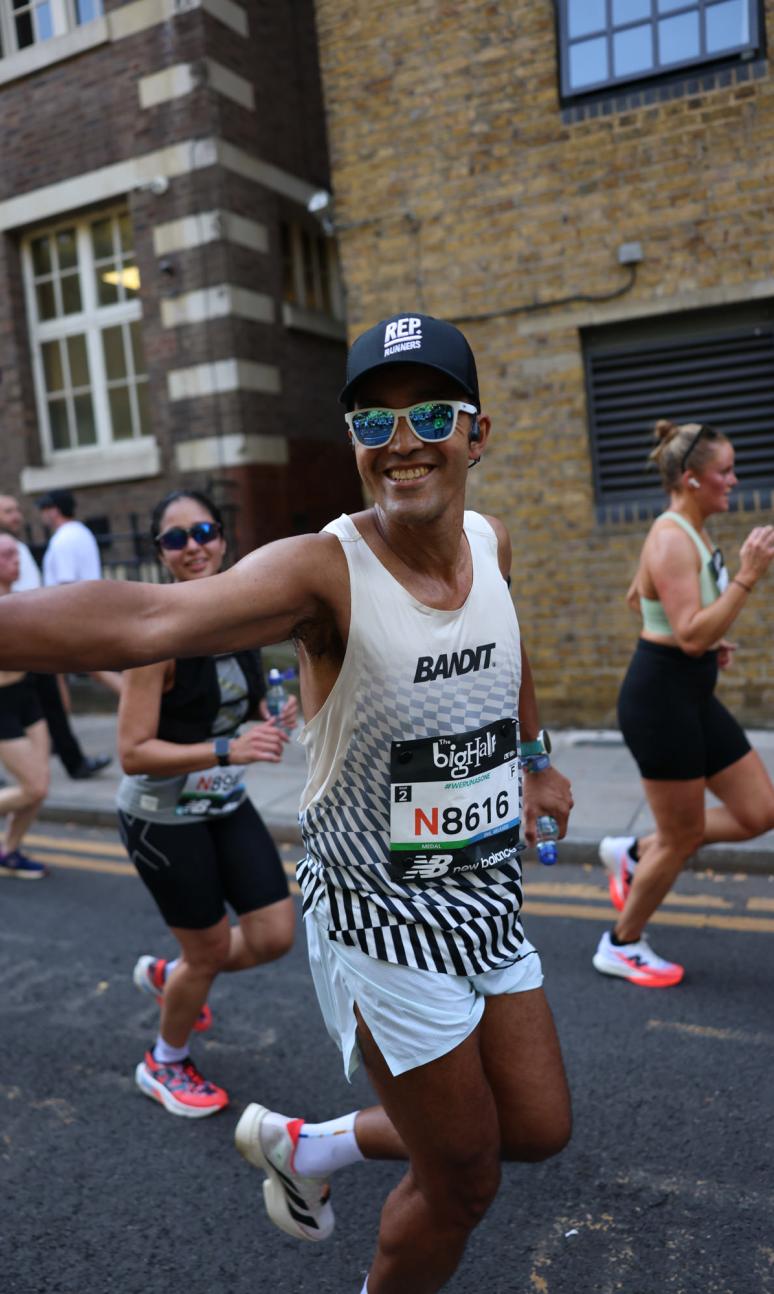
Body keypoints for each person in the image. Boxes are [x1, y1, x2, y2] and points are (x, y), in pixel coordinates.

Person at [0, 312, 573, 1294]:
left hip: (485, 896)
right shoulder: (325, 571)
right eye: (373, 421)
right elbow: (150, 616)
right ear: (353, 442)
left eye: (431, 414)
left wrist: (537, 759)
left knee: (537, 1126)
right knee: (462, 1179)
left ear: (477, 434)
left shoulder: (491, 540)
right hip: (382, 919)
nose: (402, 441)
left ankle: (310, 1144)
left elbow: (504, 645)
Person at [118, 490, 297, 1118]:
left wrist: (267, 714)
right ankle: (163, 1062)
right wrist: (228, 749)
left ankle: (174, 978)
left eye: (203, 532)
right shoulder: (156, 639)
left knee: (274, 935)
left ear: (222, 538)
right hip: (161, 818)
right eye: (176, 538)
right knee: (210, 951)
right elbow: (132, 751)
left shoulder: (239, 615)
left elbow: (235, 701)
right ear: (161, 553)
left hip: (222, 803)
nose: (193, 546)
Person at [595, 419, 774, 988]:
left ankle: (632, 853)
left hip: (690, 692)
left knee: (759, 812)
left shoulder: (689, 530)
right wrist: (748, 575)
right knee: (683, 836)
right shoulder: (673, 537)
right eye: (726, 471)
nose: (734, 480)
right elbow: (691, 633)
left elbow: (643, 601)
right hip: (661, 702)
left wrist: (708, 640)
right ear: (693, 479)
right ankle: (621, 943)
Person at [0, 491, 111, 780]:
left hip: (34, 634)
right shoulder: (11, 546)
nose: (16, 516)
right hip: (19, 639)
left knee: (52, 701)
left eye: (16, 510)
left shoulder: (17, 546)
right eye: (8, 511)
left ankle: (71, 763)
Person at [0, 533, 50, 879]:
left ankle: (10, 851)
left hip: (28, 696)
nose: (15, 561)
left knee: (40, 787)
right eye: (6, 556)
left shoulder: (23, 601)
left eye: (16, 554)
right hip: (1, 704)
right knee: (34, 787)